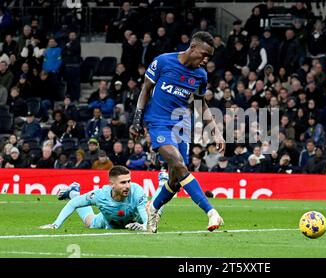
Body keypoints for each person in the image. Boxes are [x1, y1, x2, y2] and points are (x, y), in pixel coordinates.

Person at [129, 32, 225, 233]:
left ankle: (152, 208)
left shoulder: (200, 75)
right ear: (193, 48)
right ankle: (211, 211)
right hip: (158, 123)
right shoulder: (163, 61)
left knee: (176, 180)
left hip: (182, 127)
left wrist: (215, 131)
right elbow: (145, 90)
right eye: (204, 54)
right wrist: (137, 121)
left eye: (210, 56)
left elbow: (200, 103)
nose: (206, 60)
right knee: (178, 163)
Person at [40, 166, 150, 230]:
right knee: (88, 222)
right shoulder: (100, 195)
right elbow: (74, 204)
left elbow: (146, 219)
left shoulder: (137, 192)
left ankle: (73, 192)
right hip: (108, 221)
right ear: (111, 184)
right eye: (123, 182)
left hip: (134, 220)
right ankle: (73, 193)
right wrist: (55, 225)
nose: (127, 186)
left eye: (129, 181)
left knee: (153, 208)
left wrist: (144, 225)